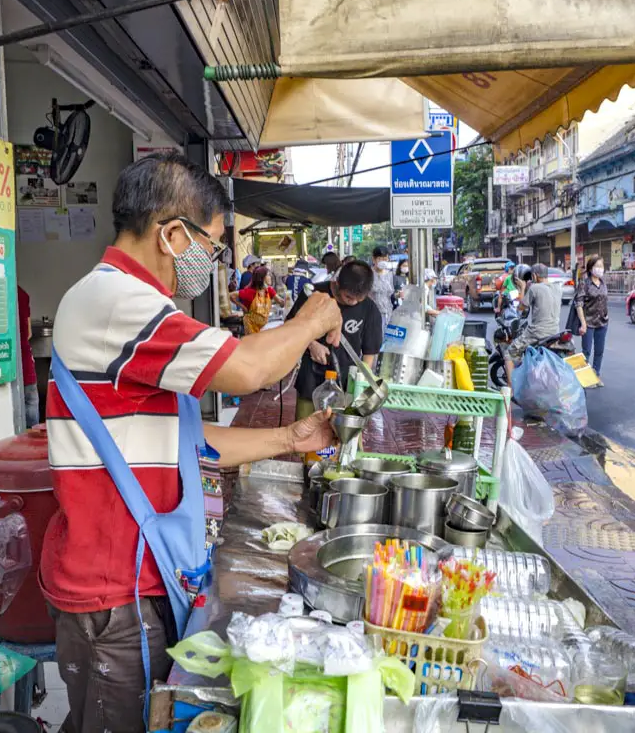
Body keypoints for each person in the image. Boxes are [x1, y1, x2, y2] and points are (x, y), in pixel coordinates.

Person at [43, 152, 344, 733]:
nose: (215, 261)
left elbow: (187, 439)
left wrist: (290, 436)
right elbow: (247, 369)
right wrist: (309, 320)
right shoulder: (115, 300)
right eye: (213, 245)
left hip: (135, 582)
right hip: (114, 593)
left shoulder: (133, 304)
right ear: (172, 234)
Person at [288, 260, 382, 420]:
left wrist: (359, 386)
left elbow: (369, 352)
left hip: (346, 382)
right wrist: (312, 344)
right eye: (348, 297)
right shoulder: (314, 294)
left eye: (359, 299)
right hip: (311, 377)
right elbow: (290, 326)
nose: (353, 302)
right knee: (303, 430)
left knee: (343, 436)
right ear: (337, 283)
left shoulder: (369, 308)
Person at [504, 263, 560, 383]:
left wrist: (523, 287)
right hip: (554, 332)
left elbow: (521, 308)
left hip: (537, 332)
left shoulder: (535, 288)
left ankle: (511, 389)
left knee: (509, 353)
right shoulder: (557, 288)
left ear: (534, 276)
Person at [574, 254, 609, 383]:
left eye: (602, 266)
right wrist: (583, 323)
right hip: (588, 322)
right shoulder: (584, 282)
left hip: (602, 322)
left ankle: (595, 376)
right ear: (590, 268)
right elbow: (579, 303)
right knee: (586, 352)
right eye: (597, 266)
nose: (600, 269)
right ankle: (584, 378)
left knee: (599, 351)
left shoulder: (603, 282)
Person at [234, 265, 285, 334]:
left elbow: (280, 301)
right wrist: (242, 307)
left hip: (263, 327)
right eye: (268, 275)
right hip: (252, 329)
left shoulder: (269, 290)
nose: (270, 277)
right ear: (262, 278)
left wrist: (288, 302)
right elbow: (231, 295)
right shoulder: (250, 292)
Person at [17, 285, 39, 429]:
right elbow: (29, 333)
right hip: (25, 360)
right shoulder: (22, 294)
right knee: (31, 401)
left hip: (7, 361)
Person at [369, 246, 395, 332]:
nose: (383, 261)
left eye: (385, 259)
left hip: (388, 311)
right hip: (372, 312)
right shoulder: (369, 274)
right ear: (374, 259)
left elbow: (391, 293)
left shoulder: (390, 274)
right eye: (380, 259)